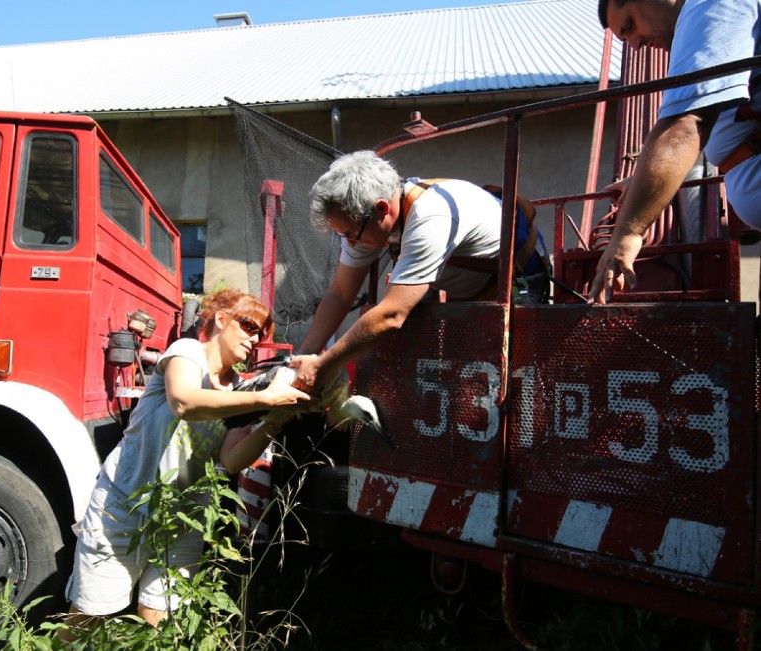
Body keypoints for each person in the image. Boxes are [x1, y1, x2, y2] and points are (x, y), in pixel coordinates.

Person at [65, 288, 310, 630]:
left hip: (183, 517)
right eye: (248, 326)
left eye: (261, 334)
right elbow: (184, 402)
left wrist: (274, 420)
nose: (254, 339)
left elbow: (233, 459)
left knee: (160, 625)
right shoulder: (187, 352)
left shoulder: (240, 389)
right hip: (122, 506)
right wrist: (262, 397)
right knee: (87, 619)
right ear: (221, 320)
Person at [290, 150, 548, 394]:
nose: (350, 244)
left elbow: (392, 314)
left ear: (381, 209)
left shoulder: (431, 215)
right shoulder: (366, 222)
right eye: (341, 235)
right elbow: (340, 294)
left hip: (517, 284)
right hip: (467, 292)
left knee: (506, 382)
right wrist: (304, 358)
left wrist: (323, 366)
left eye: (350, 235)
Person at [589, 0, 761, 304]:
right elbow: (704, 134)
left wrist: (628, 233)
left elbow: (686, 125)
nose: (637, 44)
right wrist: (643, 182)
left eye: (629, 27)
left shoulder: (710, 5)